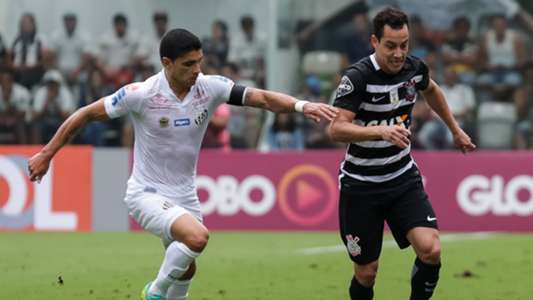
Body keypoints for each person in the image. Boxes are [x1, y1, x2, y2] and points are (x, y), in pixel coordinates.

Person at [27, 28, 337, 300]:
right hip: (146, 193)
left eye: (199, 61)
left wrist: (302, 105)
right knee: (198, 237)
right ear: (167, 63)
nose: (196, 70)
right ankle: (155, 291)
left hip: (184, 194)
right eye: (189, 64)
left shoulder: (209, 87)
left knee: (187, 270)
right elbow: (84, 114)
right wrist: (46, 154)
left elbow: (263, 99)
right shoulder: (142, 94)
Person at [328, 8, 475, 300]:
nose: (399, 54)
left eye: (404, 45)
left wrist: (455, 129)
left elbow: (431, 90)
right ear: (374, 41)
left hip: (401, 179)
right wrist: (379, 132)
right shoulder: (357, 78)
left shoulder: (414, 68)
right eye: (391, 46)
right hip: (361, 185)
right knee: (367, 272)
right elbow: (336, 129)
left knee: (430, 249)